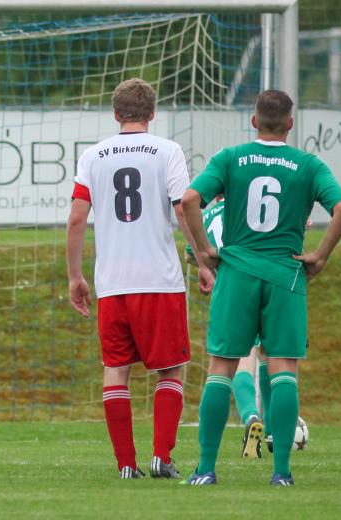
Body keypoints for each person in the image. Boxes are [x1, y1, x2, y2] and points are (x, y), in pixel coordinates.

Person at [181, 90, 341, 487]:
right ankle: (282, 473)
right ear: (291, 124)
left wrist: (206, 250)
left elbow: (190, 198)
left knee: (220, 369)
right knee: (283, 371)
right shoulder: (307, 164)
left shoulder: (231, 158)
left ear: (253, 121)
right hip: (285, 274)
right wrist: (321, 255)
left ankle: (206, 470)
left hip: (237, 272)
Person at [65, 78, 192, 480]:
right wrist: (203, 258)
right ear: (152, 113)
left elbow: (76, 218)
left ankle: (125, 465)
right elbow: (184, 208)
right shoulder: (167, 151)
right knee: (170, 370)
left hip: (113, 283)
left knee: (116, 369)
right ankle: (161, 456)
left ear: (116, 114)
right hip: (159, 280)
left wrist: (74, 277)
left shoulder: (94, 156)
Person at [185, 195, 311, 460]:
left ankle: (249, 416)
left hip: (229, 293)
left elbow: (193, 254)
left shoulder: (207, 215)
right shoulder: (250, 209)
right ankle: (275, 431)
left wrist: (204, 269)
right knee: (272, 355)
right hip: (267, 285)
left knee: (237, 361)